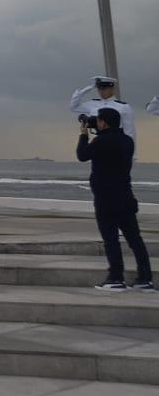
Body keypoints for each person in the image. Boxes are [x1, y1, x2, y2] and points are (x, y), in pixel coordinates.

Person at [78, 107, 152, 291]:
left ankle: (116, 277)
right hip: (125, 196)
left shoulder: (100, 141)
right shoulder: (127, 141)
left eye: (98, 120)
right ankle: (145, 279)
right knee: (135, 239)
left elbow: (82, 155)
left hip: (106, 199)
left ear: (103, 123)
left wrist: (83, 135)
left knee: (111, 239)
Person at [70, 77, 135, 152]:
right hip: (97, 143)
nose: (101, 91)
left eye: (104, 89)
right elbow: (73, 106)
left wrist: (131, 155)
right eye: (99, 89)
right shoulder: (93, 103)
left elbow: (129, 132)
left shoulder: (123, 107)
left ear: (112, 88)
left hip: (115, 147)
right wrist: (90, 87)